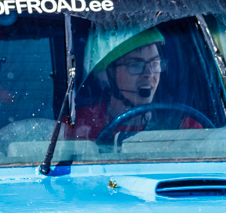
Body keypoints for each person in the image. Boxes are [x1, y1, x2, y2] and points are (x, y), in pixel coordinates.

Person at [65, 27, 199, 140]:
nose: (149, 74)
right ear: (107, 74)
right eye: (135, 65)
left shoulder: (184, 129)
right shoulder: (78, 126)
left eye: (155, 64)